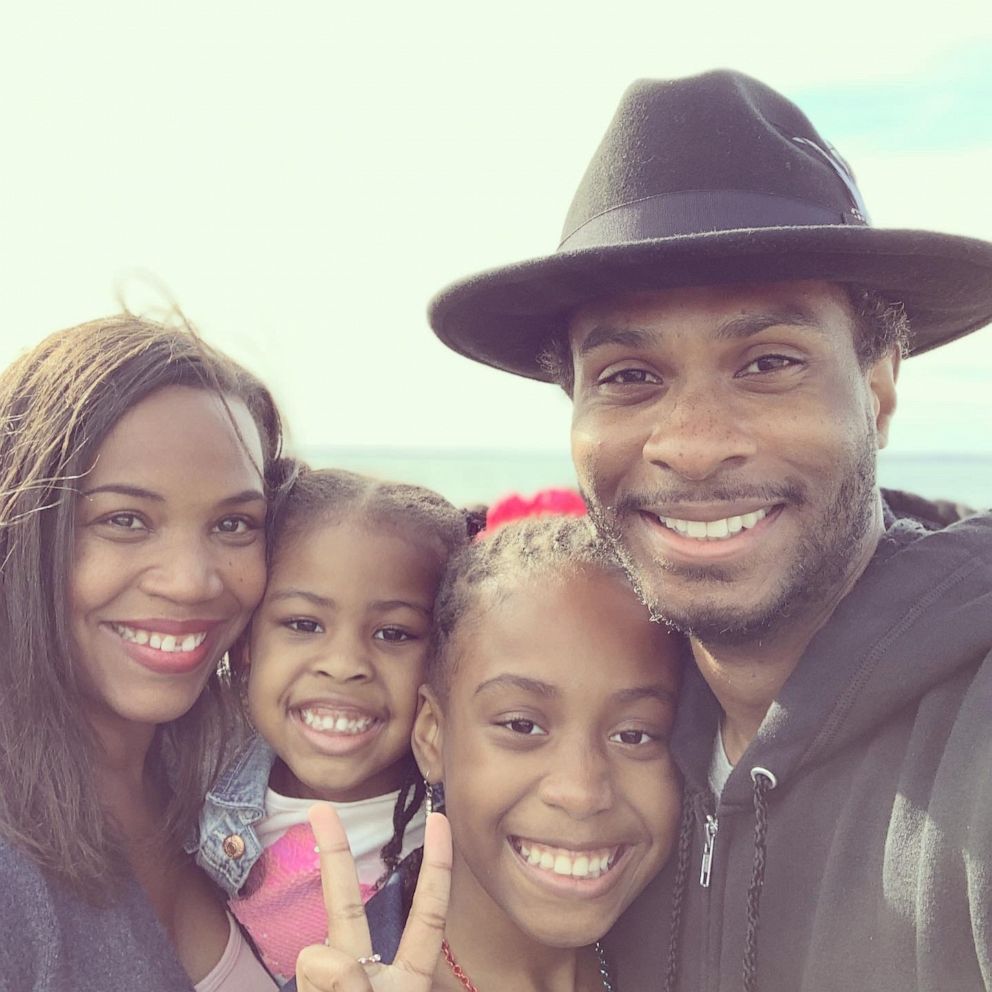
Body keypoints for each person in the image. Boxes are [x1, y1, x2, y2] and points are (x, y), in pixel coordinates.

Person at [427, 71, 992, 991]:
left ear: (879, 389)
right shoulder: (626, 750)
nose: (689, 446)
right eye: (627, 376)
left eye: (768, 363)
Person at [0, 315, 284, 991]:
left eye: (234, 524)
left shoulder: (242, 773)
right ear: (22, 530)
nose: (191, 580)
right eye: (125, 520)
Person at [293, 514, 685, 992]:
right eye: (522, 725)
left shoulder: (696, 958)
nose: (581, 792)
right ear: (433, 735)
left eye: (634, 735)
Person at [197, 466, 472, 983]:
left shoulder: (458, 840)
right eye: (304, 624)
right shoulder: (188, 779)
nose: (344, 663)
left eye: (393, 633)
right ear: (247, 640)